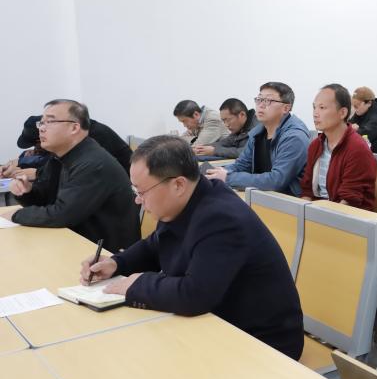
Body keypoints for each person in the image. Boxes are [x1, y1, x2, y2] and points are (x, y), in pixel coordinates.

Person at [83, 136, 303, 360]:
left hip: (261, 343)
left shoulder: (221, 218)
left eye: (142, 192)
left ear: (178, 184)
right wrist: (116, 263)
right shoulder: (187, 201)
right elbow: (156, 244)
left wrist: (137, 285)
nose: (138, 201)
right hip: (217, 323)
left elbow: (194, 295)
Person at [1, 100, 140, 251]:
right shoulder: (59, 157)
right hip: (74, 240)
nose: (41, 128)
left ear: (74, 127)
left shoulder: (93, 163)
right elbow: (46, 200)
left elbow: (62, 215)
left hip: (105, 253)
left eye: (50, 121)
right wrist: (26, 192)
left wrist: (16, 215)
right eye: (41, 123)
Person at [205, 82, 311, 196]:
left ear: (286, 108)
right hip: (260, 195)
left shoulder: (294, 137)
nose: (261, 105)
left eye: (268, 101)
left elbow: (276, 180)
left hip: (288, 200)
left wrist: (229, 177)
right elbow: (242, 164)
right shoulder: (257, 133)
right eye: (259, 99)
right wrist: (217, 172)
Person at [300, 84, 376, 210]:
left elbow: (349, 200)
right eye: (314, 107)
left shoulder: (358, 149)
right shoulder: (316, 145)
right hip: (317, 211)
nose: (315, 113)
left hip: (347, 216)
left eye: (322, 108)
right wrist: (303, 212)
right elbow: (307, 190)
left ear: (342, 113)